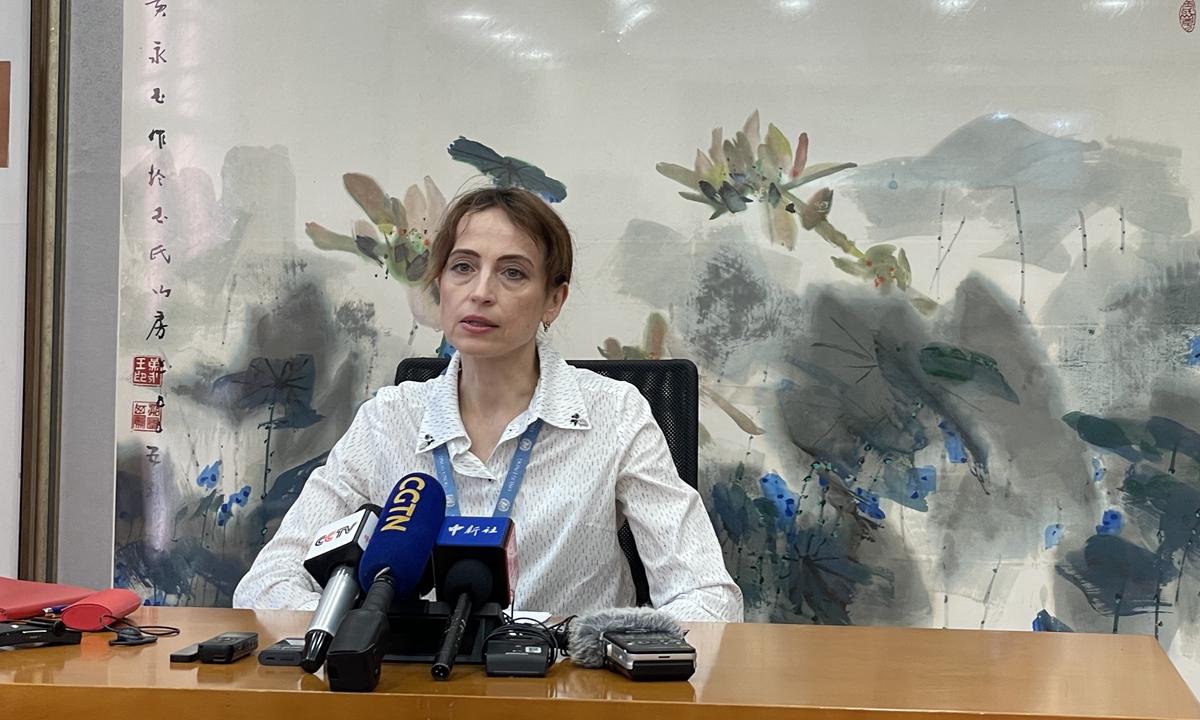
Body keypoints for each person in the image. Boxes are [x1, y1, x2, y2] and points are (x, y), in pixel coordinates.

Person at [233, 186, 743, 622]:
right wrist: (362, 634)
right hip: (417, 699)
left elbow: (707, 596)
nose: (480, 292)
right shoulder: (388, 420)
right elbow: (269, 581)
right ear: (440, 287)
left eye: (513, 273)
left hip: (566, 696)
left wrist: (596, 652)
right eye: (462, 268)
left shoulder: (614, 414)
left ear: (553, 300)